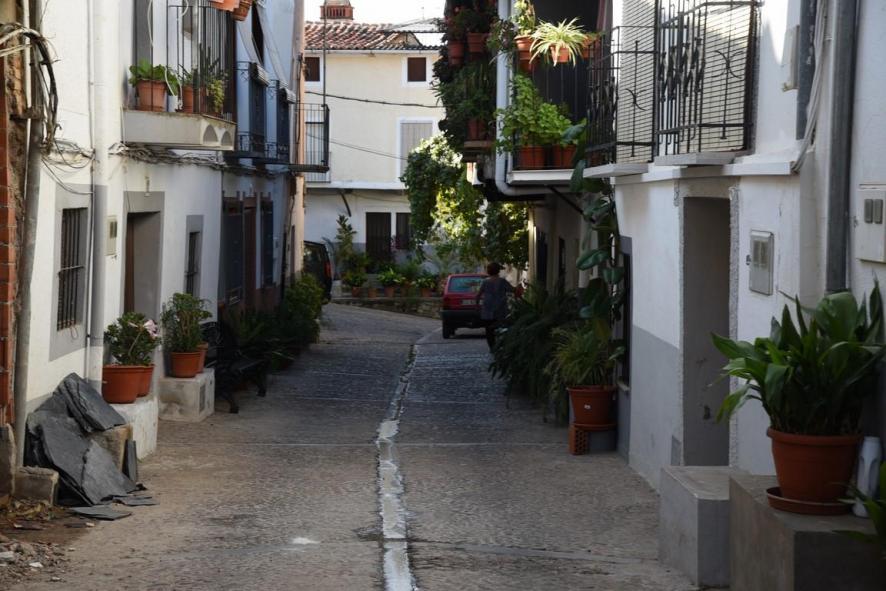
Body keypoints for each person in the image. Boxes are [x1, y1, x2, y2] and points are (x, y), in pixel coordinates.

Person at [477, 262, 514, 350]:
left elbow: (478, 295)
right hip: (500, 310)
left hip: (487, 311)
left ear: (488, 271)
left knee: (489, 331)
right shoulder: (502, 281)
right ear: (498, 271)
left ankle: (492, 347)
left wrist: (477, 305)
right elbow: (512, 290)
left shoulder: (485, 282)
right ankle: (500, 346)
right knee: (502, 328)